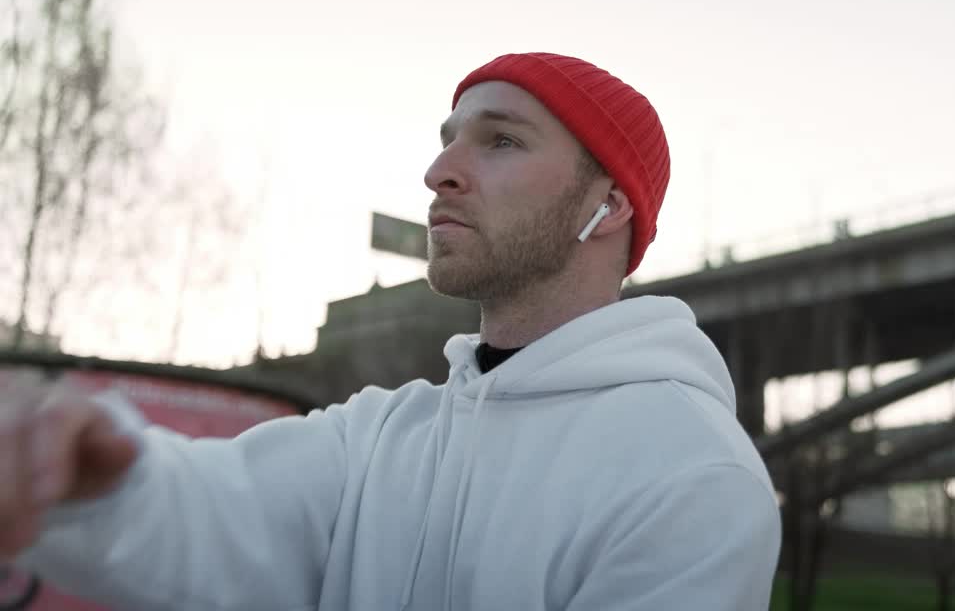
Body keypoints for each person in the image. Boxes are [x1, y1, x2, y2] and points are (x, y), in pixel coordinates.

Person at [1, 52, 782, 610]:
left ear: (606, 209)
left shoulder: (693, 473)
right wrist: (94, 478)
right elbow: (209, 519)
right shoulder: (380, 433)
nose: (439, 170)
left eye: (500, 140)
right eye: (449, 136)